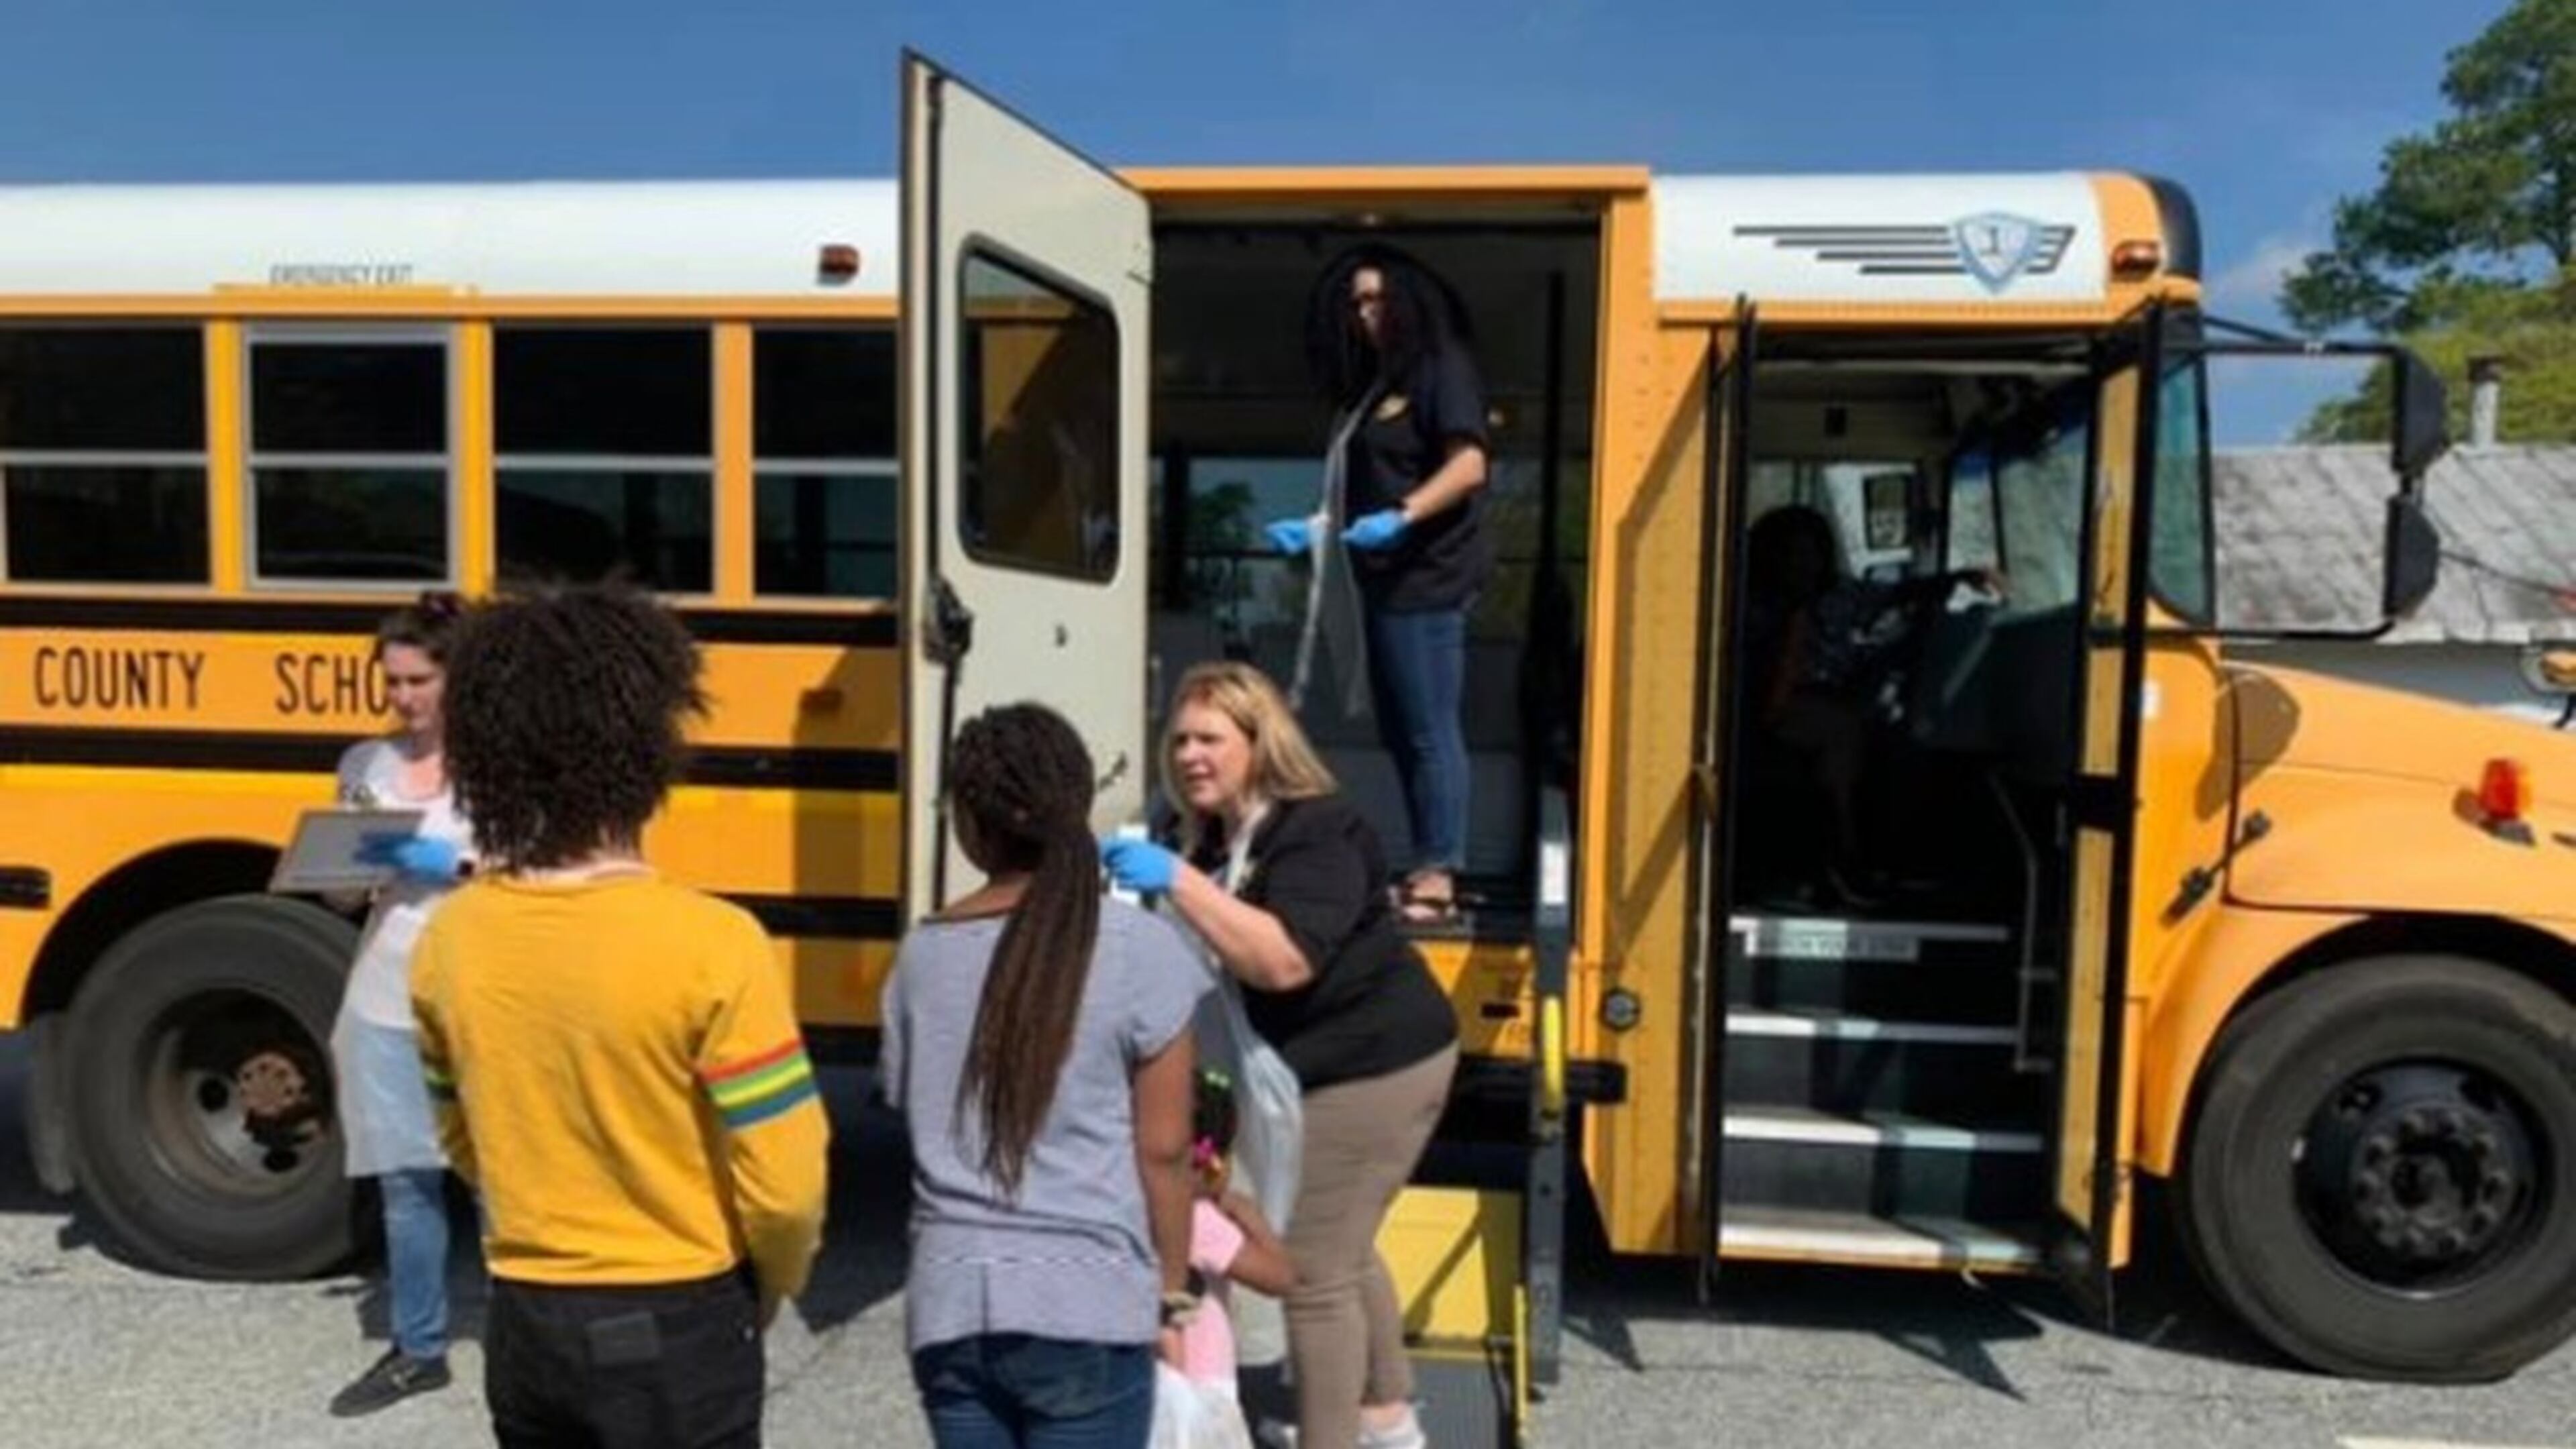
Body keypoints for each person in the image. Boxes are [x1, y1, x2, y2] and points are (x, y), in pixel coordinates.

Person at [410, 587, 830, 1449]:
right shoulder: (716, 942)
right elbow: (787, 1188)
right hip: (681, 1319)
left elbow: (462, 1139)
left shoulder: (450, 938)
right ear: (649, 749)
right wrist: (771, 1284)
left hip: (525, 1321)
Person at [1102, 661, 1459, 1449]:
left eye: (1212, 740)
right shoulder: (1201, 829)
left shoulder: (1318, 829)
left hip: (1379, 1066)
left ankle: (1336, 1435)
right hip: (1309, 1064)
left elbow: (1285, 960)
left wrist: (1180, 883)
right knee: (1343, 1241)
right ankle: (1388, 1417)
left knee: (1313, 1268)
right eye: (1181, 739)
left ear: (1261, 745)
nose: (1191, 755)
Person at [882, 702, 1209, 1449]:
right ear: (1082, 803)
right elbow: (1163, 1151)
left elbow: (911, 1103)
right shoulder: (1143, 950)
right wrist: (1171, 1288)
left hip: (951, 1301)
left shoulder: (921, 957)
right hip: (1088, 1298)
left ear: (968, 824)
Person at [1267, 244, 1492, 924]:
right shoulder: (1374, 388)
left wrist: (1402, 517)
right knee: (1402, 730)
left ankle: (1439, 874)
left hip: (1428, 574)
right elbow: (1358, 487)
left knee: (1428, 728)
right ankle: (1428, 862)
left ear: (1412, 302)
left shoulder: (1441, 367)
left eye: (1381, 299)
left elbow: (1470, 465)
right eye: (1358, 302)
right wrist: (1319, 532)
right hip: (1384, 580)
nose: (1368, 313)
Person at [324, 590, 476, 1417]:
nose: (403, 698)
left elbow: (514, 870)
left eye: (418, 680)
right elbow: (346, 901)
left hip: (478, 991)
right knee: (406, 1183)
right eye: (391, 682)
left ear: (456, 677)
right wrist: (343, 867)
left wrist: (426, 852)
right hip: (387, 985)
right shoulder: (365, 766)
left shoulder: (503, 766)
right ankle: (420, 1347)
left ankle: (532, 1336)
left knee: (501, 1179)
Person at [1743, 504, 2002, 906]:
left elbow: (1898, 594)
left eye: (1812, 553)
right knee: (1842, 733)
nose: (1803, 565)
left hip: (1833, 701)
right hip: (1769, 706)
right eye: (1791, 554)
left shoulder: (1841, 597)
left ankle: (1899, 859)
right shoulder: (1748, 604)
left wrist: (1960, 579)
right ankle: (1844, 857)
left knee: (1896, 740)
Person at [1176, 1068, 1298, 1409]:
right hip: (1202, 1380)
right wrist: (1252, 1218)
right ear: (1212, 1163)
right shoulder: (1200, 1221)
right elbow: (1281, 1278)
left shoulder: (1134, 1204)